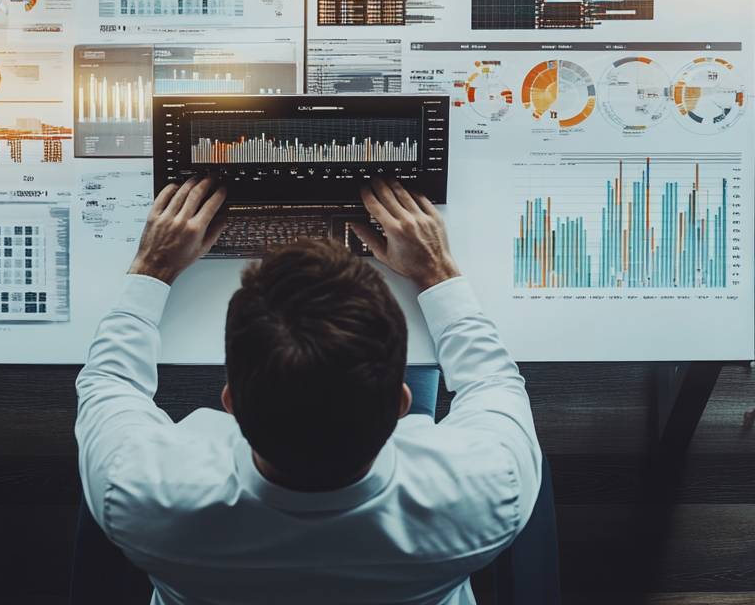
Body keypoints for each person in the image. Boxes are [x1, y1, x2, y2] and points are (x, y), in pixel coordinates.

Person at [75, 175, 542, 605]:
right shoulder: (491, 490)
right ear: (403, 403)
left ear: (230, 404)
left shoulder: (136, 492)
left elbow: (110, 381)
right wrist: (436, 271)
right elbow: (493, 381)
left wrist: (152, 266)